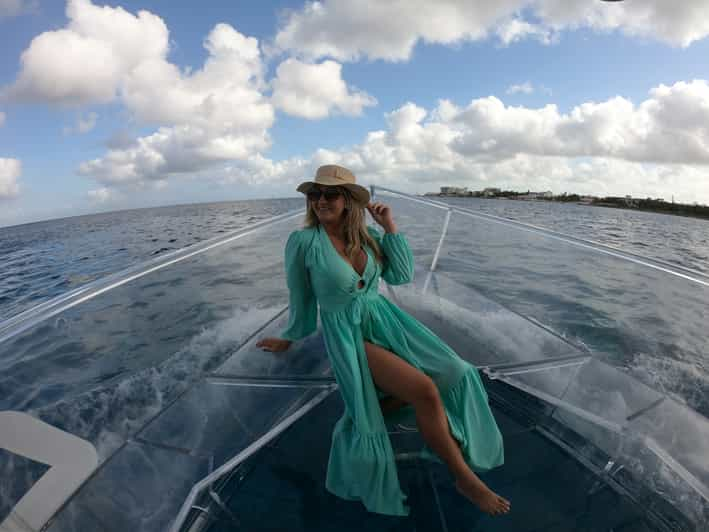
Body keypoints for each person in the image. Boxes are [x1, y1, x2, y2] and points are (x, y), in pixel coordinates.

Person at [256, 164, 510, 516]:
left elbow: (401, 275)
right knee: (425, 390)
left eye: (330, 194)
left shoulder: (365, 237)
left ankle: (401, 415)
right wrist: (290, 336)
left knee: (457, 370)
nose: (321, 201)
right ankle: (464, 478)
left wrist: (389, 227)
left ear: (347, 201)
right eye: (315, 194)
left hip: (386, 320)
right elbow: (300, 296)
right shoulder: (302, 242)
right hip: (348, 333)